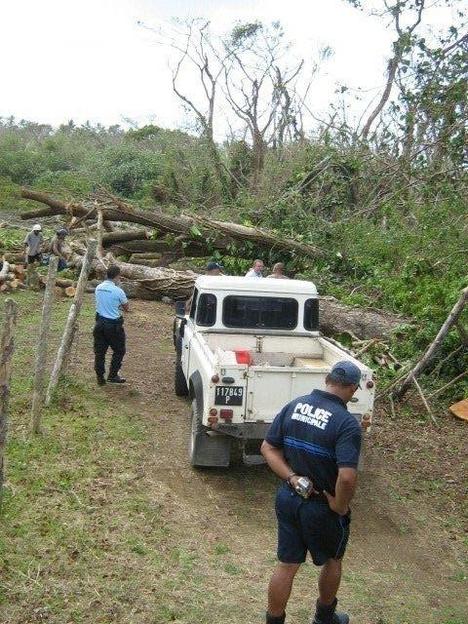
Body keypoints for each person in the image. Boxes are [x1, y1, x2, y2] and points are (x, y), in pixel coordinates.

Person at [261, 361, 363, 624]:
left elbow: (268, 448)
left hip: (289, 497)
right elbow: (348, 476)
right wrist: (340, 505)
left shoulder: (295, 405)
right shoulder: (346, 423)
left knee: (287, 564)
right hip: (322, 507)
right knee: (333, 559)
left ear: (327, 379)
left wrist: (292, 477)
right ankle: (324, 618)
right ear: (352, 388)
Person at [94, 265, 129, 385]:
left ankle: (100, 377)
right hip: (113, 325)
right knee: (119, 350)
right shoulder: (118, 291)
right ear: (117, 276)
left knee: (100, 352)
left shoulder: (98, 287)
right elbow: (126, 308)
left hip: (99, 323)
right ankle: (113, 375)